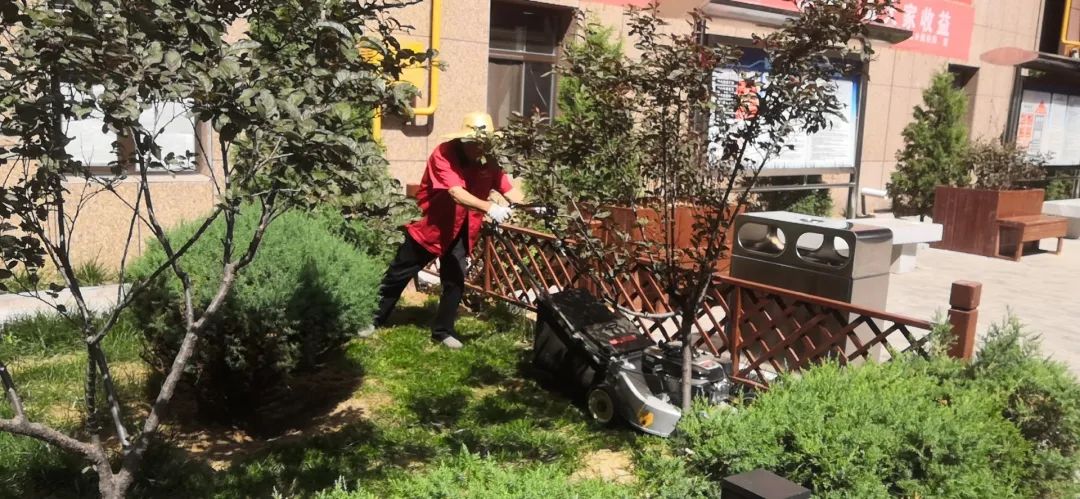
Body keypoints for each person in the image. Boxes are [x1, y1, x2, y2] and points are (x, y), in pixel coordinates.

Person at [362, 112, 524, 348]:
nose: (480, 148)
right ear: (464, 140)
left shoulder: (490, 160)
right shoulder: (444, 154)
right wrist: (490, 208)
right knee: (398, 274)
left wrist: (531, 206)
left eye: (484, 143)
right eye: (476, 143)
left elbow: (508, 189)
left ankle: (443, 331)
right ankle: (372, 319)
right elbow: (456, 193)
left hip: (462, 229)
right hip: (430, 227)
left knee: (455, 280)